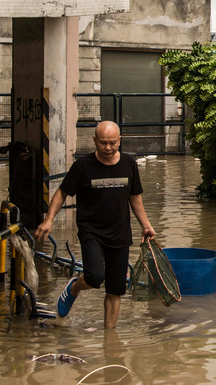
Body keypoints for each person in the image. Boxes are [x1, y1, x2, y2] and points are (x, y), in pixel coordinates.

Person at [34, 121, 157, 327]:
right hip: (92, 231)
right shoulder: (83, 166)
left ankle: (109, 338)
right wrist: (49, 220)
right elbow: (62, 193)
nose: (108, 148)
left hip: (119, 234)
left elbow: (135, 198)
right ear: (94, 141)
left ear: (120, 141)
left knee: (116, 289)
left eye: (112, 143)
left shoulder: (129, 164)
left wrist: (146, 225)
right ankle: (74, 287)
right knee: (94, 276)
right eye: (103, 143)